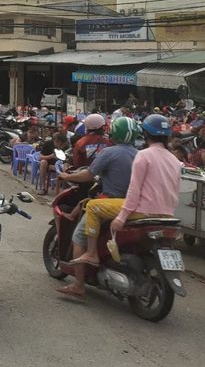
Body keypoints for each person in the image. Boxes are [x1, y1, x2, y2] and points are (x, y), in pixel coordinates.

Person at [71, 113, 181, 268]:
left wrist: (121, 218)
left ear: (145, 134)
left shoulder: (144, 155)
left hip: (142, 210)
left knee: (92, 206)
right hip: (167, 214)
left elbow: (134, 190)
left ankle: (91, 253)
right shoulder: (175, 160)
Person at [55, 116, 142, 299]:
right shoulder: (140, 155)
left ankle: (78, 284)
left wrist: (66, 176)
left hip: (108, 203)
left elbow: (87, 174)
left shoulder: (108, 151)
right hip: (133, 206)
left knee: (79, 236)